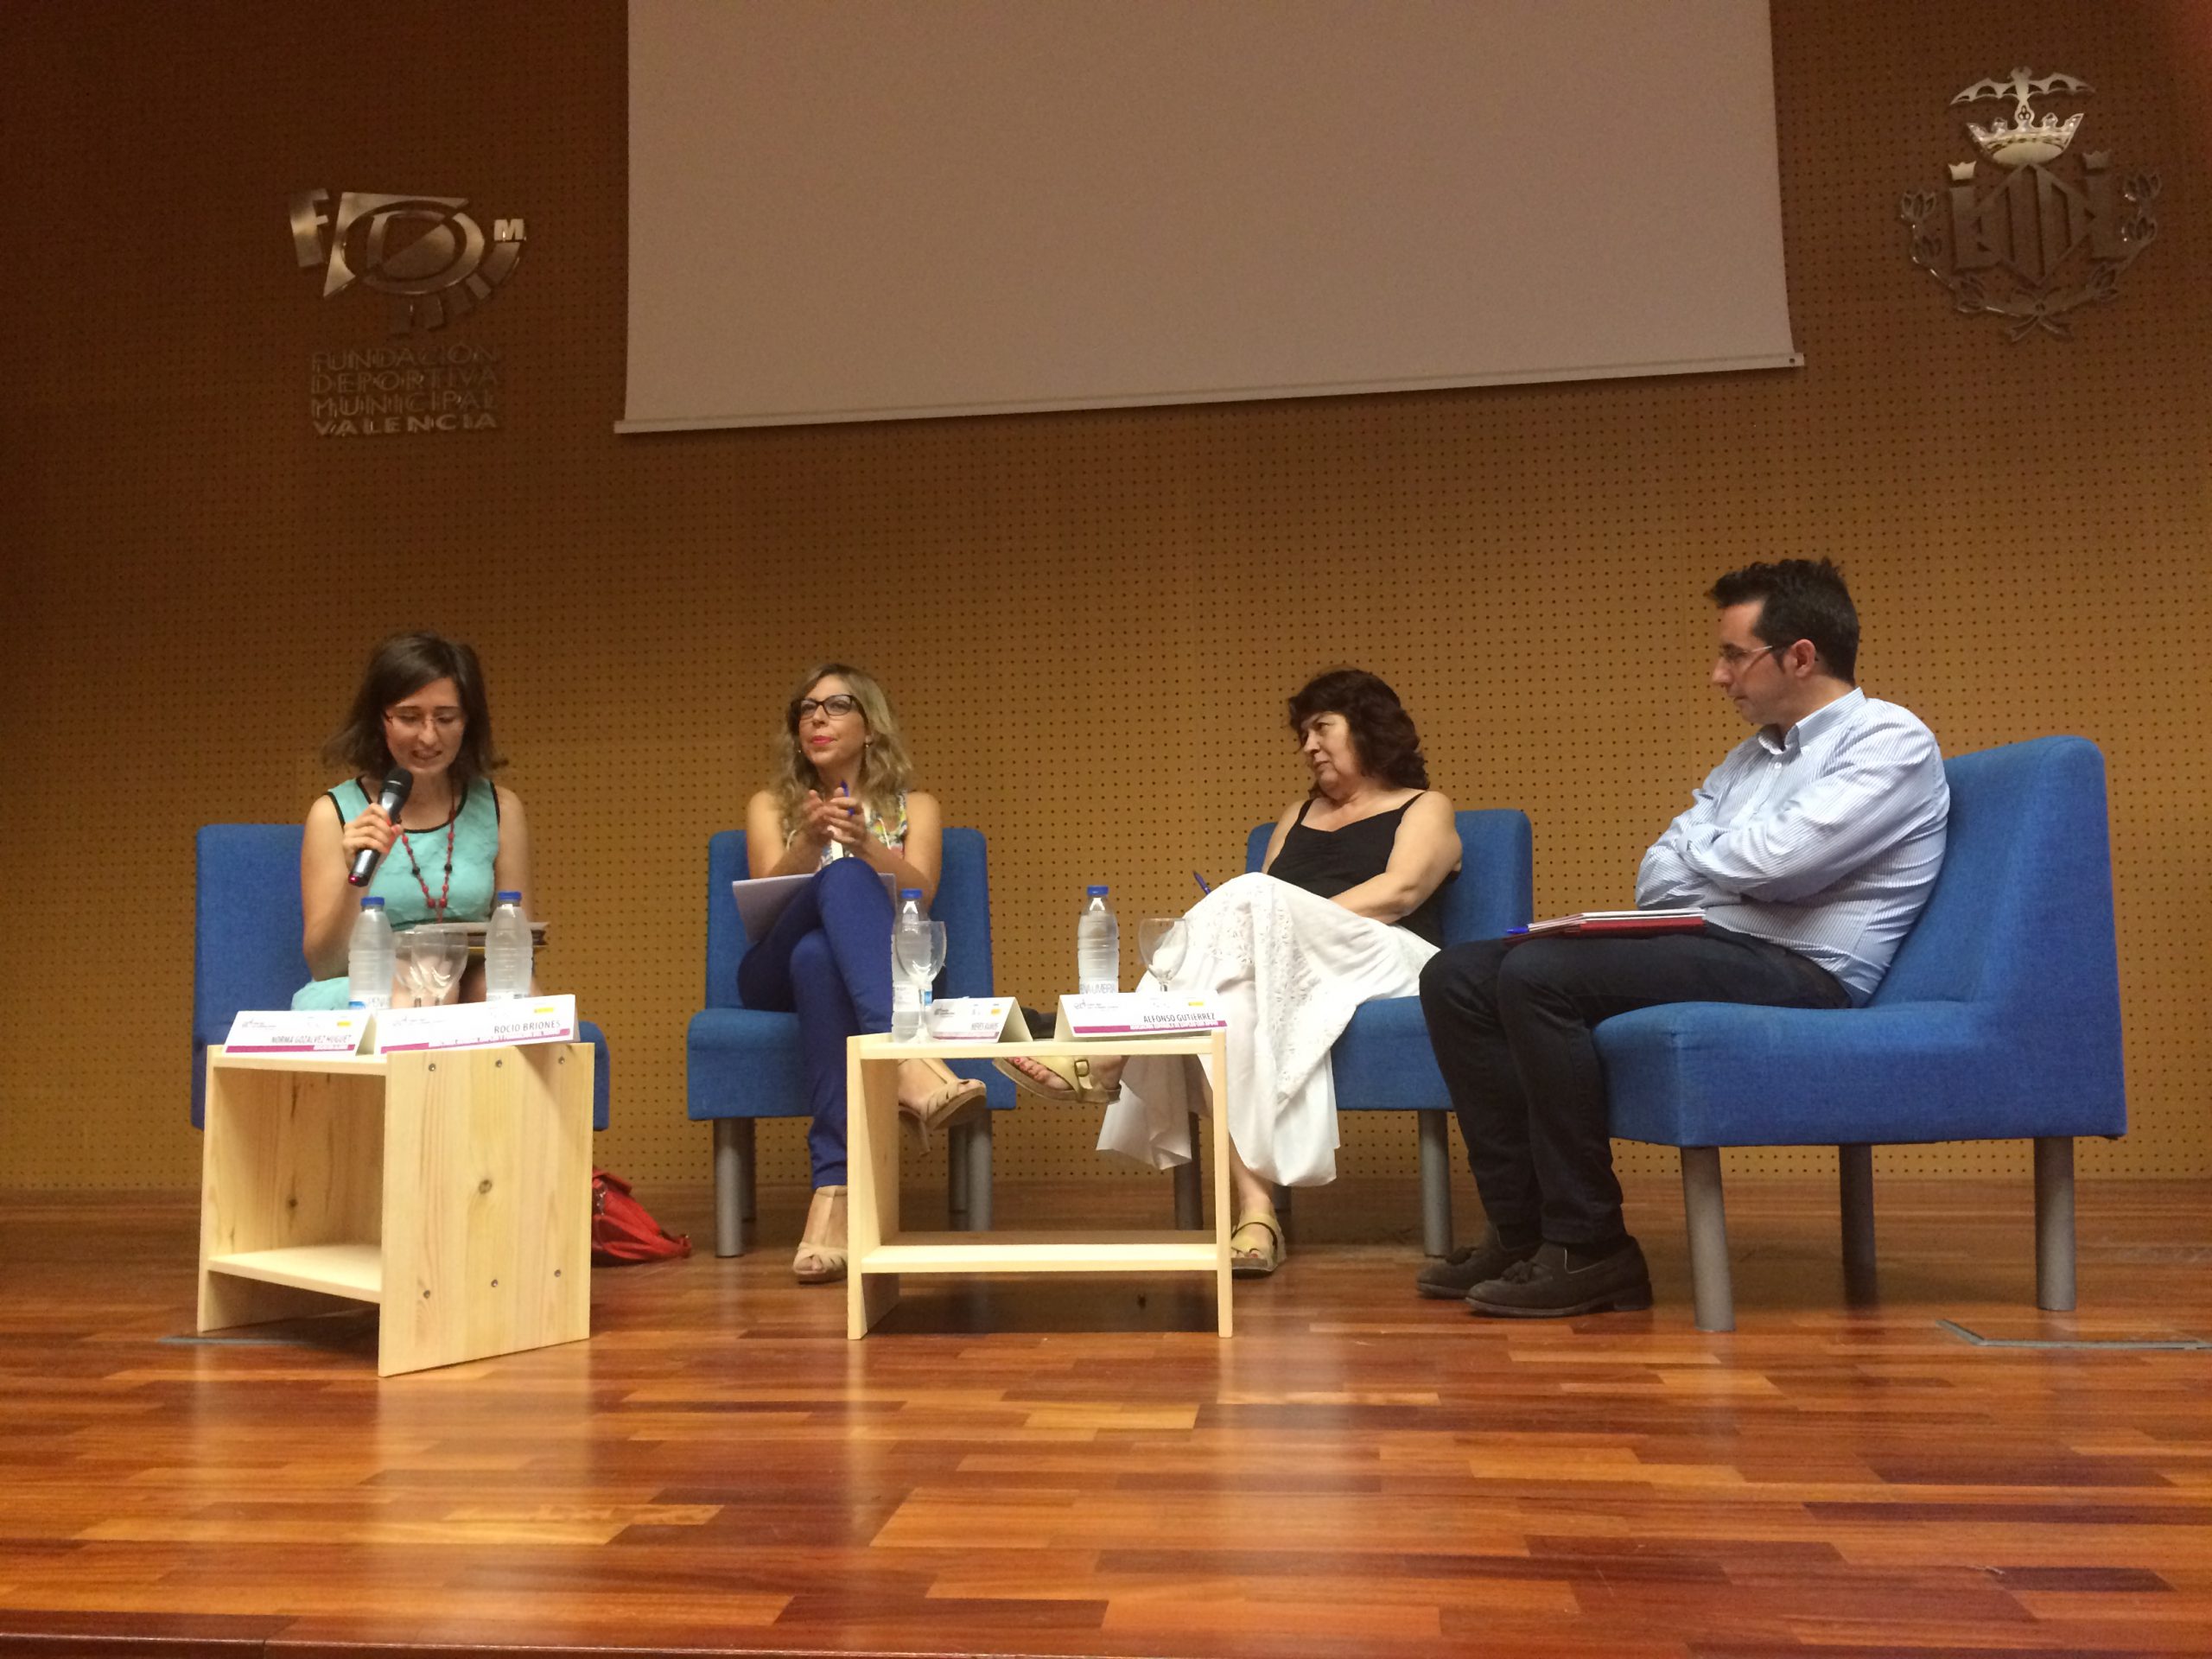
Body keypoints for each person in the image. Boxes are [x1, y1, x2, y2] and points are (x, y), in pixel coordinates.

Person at [1419, 559, 1949, 1318]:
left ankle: (1589, 1246)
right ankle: (1522, 1229)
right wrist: (1733, 863)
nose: (1718, 675)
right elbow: (1657, 876)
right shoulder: (1749, 759)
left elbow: (1781, 863)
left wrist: (1718, 858)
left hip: (1808, 971)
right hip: (1718, 945)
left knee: (1539, 974)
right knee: (1456, 977)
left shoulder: (1889, 741)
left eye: (1734, 655)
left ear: (1800, 656)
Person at [1001, 669, 1463, 1277]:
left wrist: (1281, 917)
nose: (1309, 746)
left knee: (1249, 894)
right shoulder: (1298, 813)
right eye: (1303, 735)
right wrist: (1271, 923)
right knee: (1230, 1008)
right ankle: (1257, 1215)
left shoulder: (1425, 806)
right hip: (1293, 963)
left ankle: (1108, 1054)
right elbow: (1261, 912)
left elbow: (1399, 892)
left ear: (1368, 729)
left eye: (1322, 728)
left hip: (1387, 956)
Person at [739, 664, 985, 1285]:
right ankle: (906, 1061)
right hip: (770, 970)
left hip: (892, 966)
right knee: (830, 895)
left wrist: (864, 842)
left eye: (836, 706)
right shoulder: (771, 806)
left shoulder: (915, 807)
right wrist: (810, 842)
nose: (817, 719)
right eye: (806, 709)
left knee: (818, 959)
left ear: (871, 726)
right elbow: (763, 904)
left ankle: (834, 1195)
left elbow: (922, 894)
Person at [294, 632, 530, 1009]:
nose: (428, 736)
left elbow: (517, 949)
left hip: (464, 981)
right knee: (426, 986)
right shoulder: (332, 812)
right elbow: (325, 964)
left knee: (515, 995)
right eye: (409, 718)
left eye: (446, 718)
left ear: (467, 722)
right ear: (380, 720)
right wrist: (359, 879)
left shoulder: (501, 808)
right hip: (363, 986)